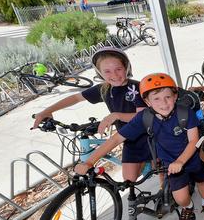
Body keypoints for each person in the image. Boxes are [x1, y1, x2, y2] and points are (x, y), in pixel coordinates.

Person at [75, 73, 204, 220]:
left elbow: (193, 140)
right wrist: (89, 161)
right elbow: (115, 139)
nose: (163, 103)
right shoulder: (144, 117)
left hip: (191, 157)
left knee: (202, 181)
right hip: (171, 163)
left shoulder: (185, 112)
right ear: (147, 101)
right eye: (156, 99)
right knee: (181, 198)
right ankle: (188, 207)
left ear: (175, 96)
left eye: (168, 97)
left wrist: (181, 161)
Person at [32, 47, 152, 182]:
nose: (114, 74)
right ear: (100, 73)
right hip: (128, 139)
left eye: (118, 69)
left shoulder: (136, 88)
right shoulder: (104, 89)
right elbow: (76, 98)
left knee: (163, 176)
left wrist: (116, 115)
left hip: (148, 135)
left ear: (126, 67)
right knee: (129, 179)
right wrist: (47, 111)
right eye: (107, 71)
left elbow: (142, 116)